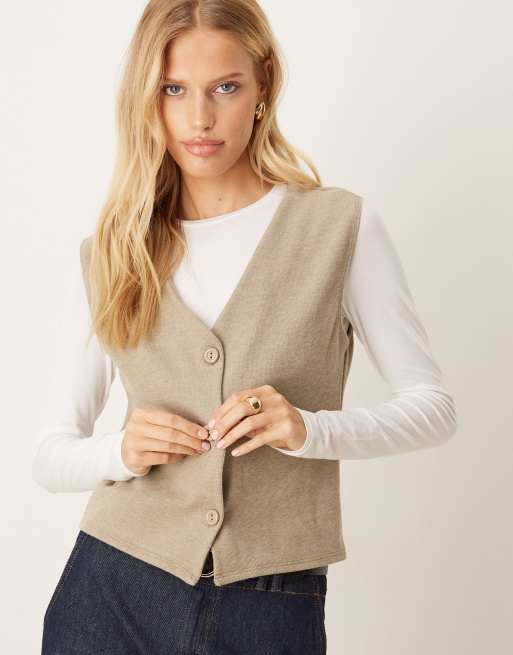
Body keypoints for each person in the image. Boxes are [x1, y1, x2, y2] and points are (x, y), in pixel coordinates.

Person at [33, 1, 458, 653]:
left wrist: (308, 429)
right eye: (173, 90)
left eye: (225, 88)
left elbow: (433, 409)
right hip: (110, 590)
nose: (199, 118)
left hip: (270, 601)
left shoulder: (339, 228)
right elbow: (50, 453)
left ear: (263, 87)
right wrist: (120, 450)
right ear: (147, 98)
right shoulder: (112, 251)